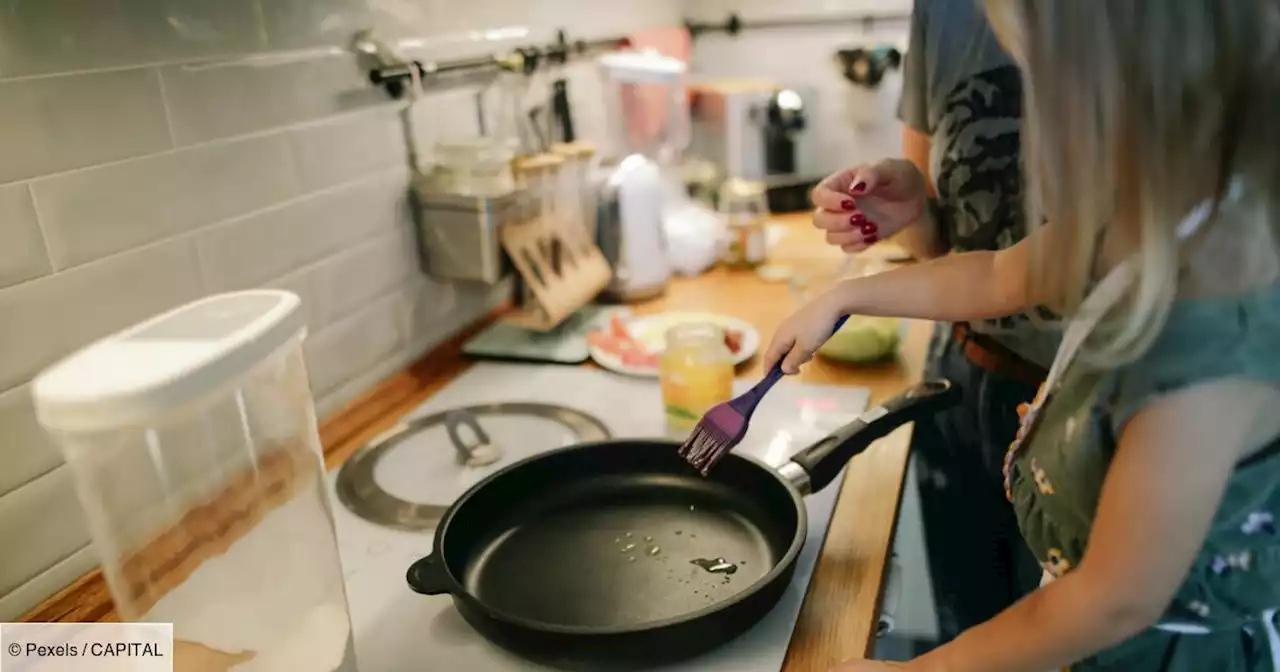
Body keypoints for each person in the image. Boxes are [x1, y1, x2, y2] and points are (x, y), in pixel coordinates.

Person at [770, 1, 1280, 670]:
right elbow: (997, 277)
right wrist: (846, 296)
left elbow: (1110, 602)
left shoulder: (1206, 349)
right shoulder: (1151, 209)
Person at [811, 0, 1048, 643]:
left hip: (1090, 402)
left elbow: (1107, 603)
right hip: (964, 385)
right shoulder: (945, 12)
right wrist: (906, 205)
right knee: (967, 619)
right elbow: (955, 250)